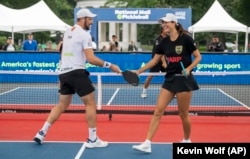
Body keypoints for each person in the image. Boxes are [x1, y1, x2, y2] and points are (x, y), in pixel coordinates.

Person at [33, 8, 121, 148]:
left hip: (64, 73)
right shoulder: (85, 35)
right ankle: (93, 140)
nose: (91, 21)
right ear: (82, 19)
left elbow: (61, 52)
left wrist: (62, 73)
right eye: (89, 19)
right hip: (77, 73)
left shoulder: (68, 32)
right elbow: (91, 59)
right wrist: (110, 65)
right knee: (90, 104)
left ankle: (41, 132)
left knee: (62, 105)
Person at [132, 13, 202, 153]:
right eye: (162, 22)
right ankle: (147, 143)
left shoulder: (186, 39)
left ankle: (187, 140)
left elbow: (198, 57)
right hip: (170, 79)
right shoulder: (163, 42)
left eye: (166, 22)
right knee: (158, 111)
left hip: (184, 80)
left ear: (174, 23)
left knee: (183, 114)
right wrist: (138, 71)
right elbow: (154, 61)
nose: (163, 24)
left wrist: (188, 69)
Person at [141, 27, 168, 98]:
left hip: (165, 60)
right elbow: (160, 53)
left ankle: (172, 91)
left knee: (170, 76)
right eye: (166, 28)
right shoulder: (158, 40)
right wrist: (164, 62)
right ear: (162, 30)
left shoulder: (168, 38)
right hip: (156, 61)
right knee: (150, 77)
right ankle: (144, 91)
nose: (167, 30)